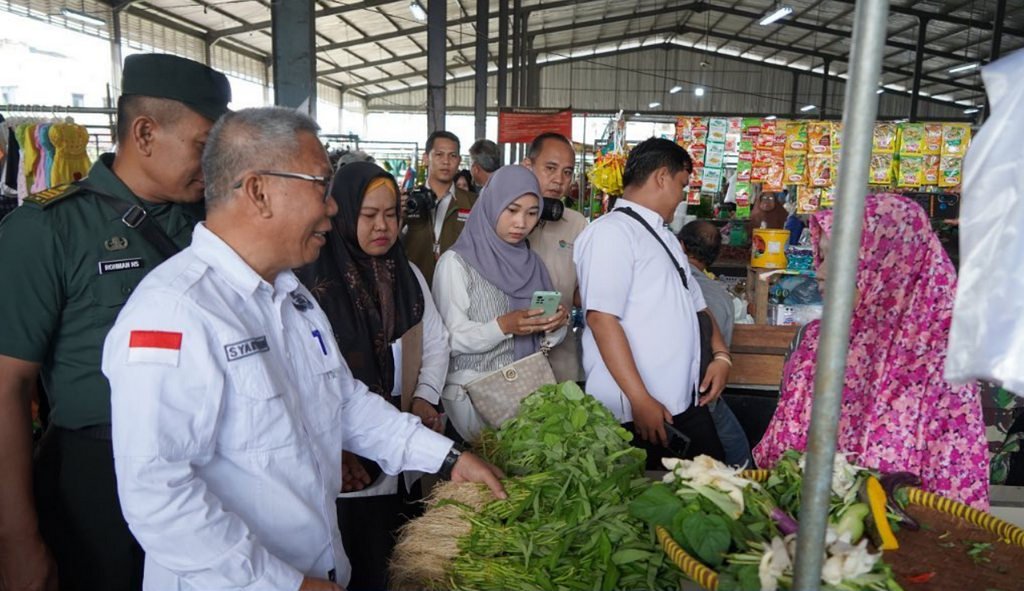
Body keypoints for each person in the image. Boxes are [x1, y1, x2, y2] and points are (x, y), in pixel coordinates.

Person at [101, 107, 505, 591]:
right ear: (258, 190)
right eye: (319, 186)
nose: (332, 207)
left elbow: (345, 403)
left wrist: (447, 458)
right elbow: (159, 498)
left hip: (320, 566)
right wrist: (283, 584)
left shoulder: (291, 297)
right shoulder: (175, 313)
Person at [0, 53, 231, 591]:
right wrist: (16, 540)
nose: (215, 165)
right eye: (204, 147)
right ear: (145, 132)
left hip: (209, 471)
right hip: (98, 483)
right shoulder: (48, 231)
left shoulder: (212, 224)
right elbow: (7, 387)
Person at [753, 194, 989, 510]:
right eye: (821, 257)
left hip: (900, 541)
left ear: (888, 261)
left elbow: (956, 491)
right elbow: (780, 453)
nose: (819, 272)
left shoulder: (940, 357)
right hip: (802, 528)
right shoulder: (817, 340)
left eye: (834, 260)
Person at [296, 161, 449, 590]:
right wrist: (336, 447)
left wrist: (424, 397)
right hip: (344, 468)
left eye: (391, 214)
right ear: (343, 212)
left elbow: (434, 342)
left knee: (394, 560)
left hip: (402, 447)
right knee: (354, 563)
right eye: (368, 215)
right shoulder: (310, 283)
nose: (383, 226)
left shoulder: (409, 275)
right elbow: (306, 380)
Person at [575, 138, 728, 470]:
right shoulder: (612, 233)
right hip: (638, 414)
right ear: (661, 177)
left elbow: (698, 307)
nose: (682, 196)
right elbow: (602, 319)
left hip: (683, 405)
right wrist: (640, 399)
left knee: (714, 489)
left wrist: (722, 356)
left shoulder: (665, 237)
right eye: (681, 185)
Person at [432, 165, 569, 442]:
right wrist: (503, 326)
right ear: (492, 205)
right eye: (512, 210)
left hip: (527, 396)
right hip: (472, 399)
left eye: (532, 213)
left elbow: (546, 339)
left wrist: (555, 325)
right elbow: (450, 339)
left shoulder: (533, 264)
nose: (522, 223)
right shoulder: (456, 264)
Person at [678, 220, 754, 468]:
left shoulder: (669, 283)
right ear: (715, 255)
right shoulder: (721, 295)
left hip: (690, 392)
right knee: (739, 455)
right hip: (703, 392)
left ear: (679, 245)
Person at [522, 132, 588, 383]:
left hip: (560, 351)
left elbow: (583, 290)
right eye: (550, 168)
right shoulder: (505, 218)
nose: (559, 180)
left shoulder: (577, 224)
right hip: (508, 353)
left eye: (567, 172)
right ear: (528, 166)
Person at [403, 130, 477, 285]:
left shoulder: (473, 203)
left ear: (459, 161)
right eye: (439, 155)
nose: (446, 161)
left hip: (458, 289)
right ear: (426, 158)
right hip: (414, 287)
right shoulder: (407, 201)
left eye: (452, 155)